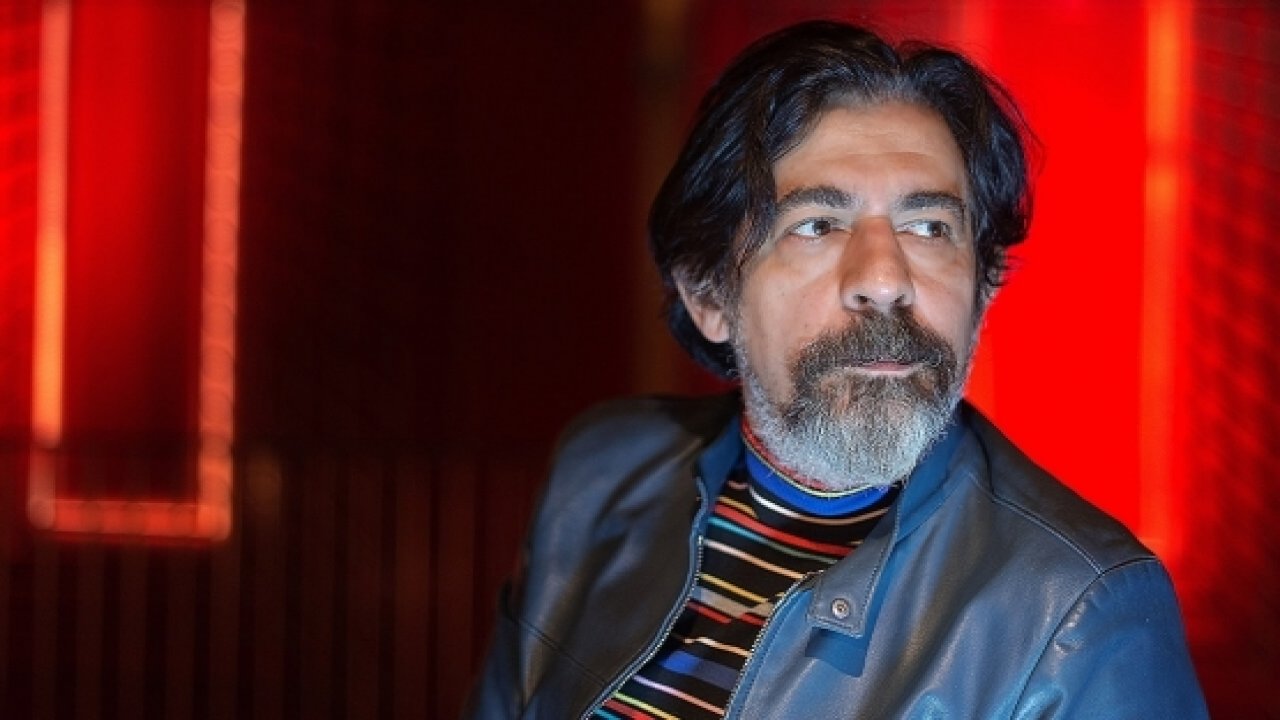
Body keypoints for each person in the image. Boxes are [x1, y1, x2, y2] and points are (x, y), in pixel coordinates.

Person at [466, 20, 1207, 719]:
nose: (884, 279)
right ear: (709, 295)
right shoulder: (600, 472)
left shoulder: (1081, 613)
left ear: (983, 289)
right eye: (818, 225)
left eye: (929, 227)